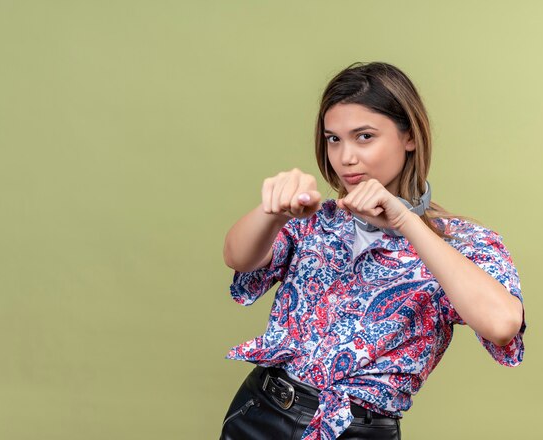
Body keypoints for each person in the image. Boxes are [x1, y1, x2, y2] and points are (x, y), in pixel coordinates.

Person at [220, 61, 527, 440]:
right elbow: (238, 257)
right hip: (260, 413)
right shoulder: (317, 217)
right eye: (334, 138)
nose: (346, 156)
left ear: (409, 136)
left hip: (356, 431)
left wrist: (406, 222)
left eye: (364, 136)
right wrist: (272, 212)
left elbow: (502, 325)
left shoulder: (461, 242)